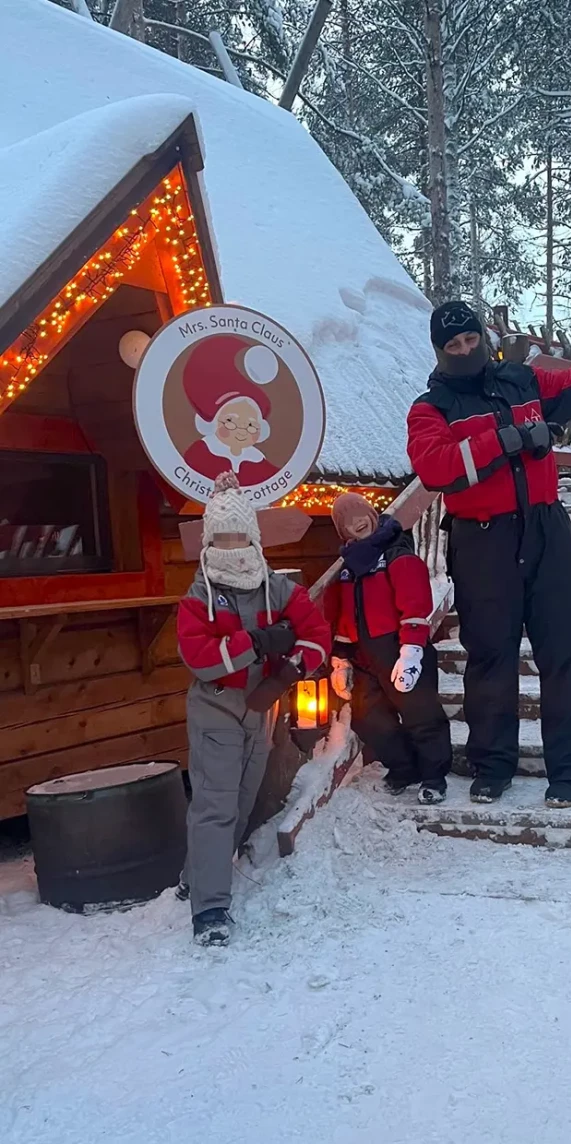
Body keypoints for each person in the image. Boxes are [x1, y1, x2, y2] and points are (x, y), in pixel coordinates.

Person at [406, 288, 571, 807]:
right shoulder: (430, 407)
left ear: (484, 336)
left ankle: (570, 766)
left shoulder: (523, 380)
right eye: (452, 344)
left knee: (567, 650)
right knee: (490, 657)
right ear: (439, 352)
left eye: (470, 337)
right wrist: (510, 438)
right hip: (482, 541)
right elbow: (435, 468)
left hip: (545, 529)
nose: (464, 348)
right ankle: (492, 764)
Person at [177, 471, 330, 946]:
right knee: (215, 805)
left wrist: (290, 670)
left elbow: (316, 635)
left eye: (239, 535)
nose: (231, 544)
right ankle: (210, 909)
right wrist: (256, 642)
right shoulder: (198, 597)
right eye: (222, 536)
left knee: (243, 797)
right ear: (209, 539)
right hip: (217, 709)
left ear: (252, 536)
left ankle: (198, 873)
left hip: (261, 708)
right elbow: (200, 658)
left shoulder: (278, 588)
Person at [324, 492, 452, 804]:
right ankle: (404, 768)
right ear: (342, 530)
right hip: (364, 656)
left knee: (420, 714)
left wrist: (411, 650)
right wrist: (341, 659)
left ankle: (434, 776)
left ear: (371, 514)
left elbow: (415, 604)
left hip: (400, 648)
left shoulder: (397, 555)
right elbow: (344, 617)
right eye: (348, 521)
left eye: (361, 515)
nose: (357, 523)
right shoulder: (348, 568)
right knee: (369, 719)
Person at [182, 335, 280, 484]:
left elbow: (275, 481)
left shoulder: (259, 461)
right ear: (213, 423)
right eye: (230, 421)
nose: (242, 430)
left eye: (251, 425)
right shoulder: (200, 454)